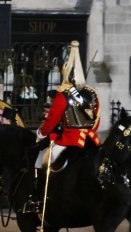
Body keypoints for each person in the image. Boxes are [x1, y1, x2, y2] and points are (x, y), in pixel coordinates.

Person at [35, 40, 100, 170]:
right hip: (92, 141)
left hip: (69, 141)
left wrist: (41, 134)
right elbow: (96, 120)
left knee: (43, 162)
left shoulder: (63, 94)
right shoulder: (92, 92)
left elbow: (52, 120)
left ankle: (46, 189)